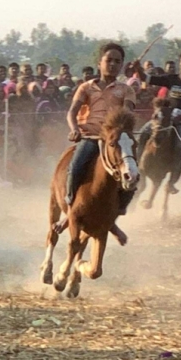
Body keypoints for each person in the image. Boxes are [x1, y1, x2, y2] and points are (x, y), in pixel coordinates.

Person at [65, 43, 137, 245]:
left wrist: (121, 130)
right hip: (89, 137)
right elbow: (72, 112)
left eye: (117, 61)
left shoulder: (126, 90)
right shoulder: (86, 87)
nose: (113, 64)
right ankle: (70, 206)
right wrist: (74, 129)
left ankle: (118, 210)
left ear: (122, 65)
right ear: (100, 63)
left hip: (113, 141)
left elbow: (128, 114)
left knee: (132, 172)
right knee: (75, 167)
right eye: (109, 60)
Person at [142, 49, 181, 195]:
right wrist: (137, 69)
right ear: (180, 63)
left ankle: (171, 182)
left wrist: (176, 119)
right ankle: (139, 167)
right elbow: (147, 79)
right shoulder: (171, 78)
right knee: (143, 133)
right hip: (163, 117)